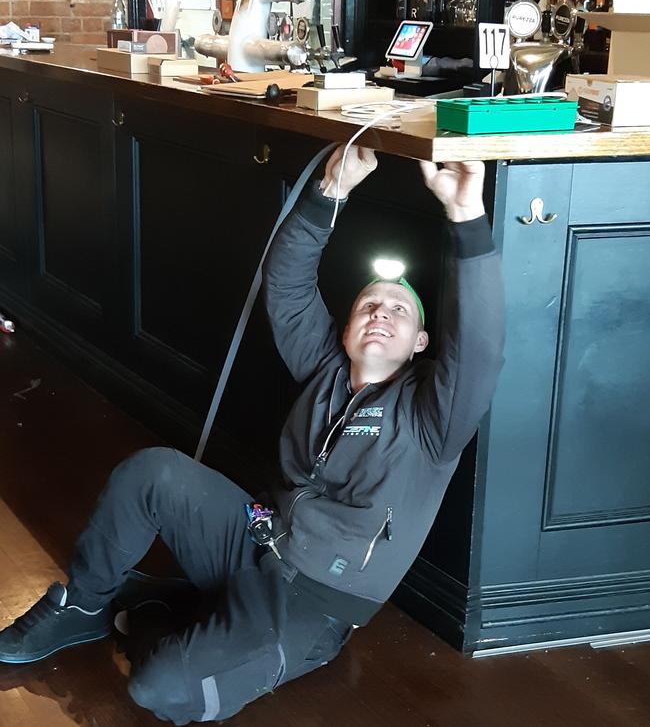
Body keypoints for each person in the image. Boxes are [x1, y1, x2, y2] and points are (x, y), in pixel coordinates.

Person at [0, 146, 504, 725]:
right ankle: (85, 606)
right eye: (369, 303)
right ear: (344, 329)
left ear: (420, 343)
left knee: (159, 689)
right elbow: (286, 283)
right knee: (152, 472)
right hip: (259, 535)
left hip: (310, 603)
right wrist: (328, 190)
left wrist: (466, 217)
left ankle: (171, 612)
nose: (381, 313)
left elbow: (479, 345)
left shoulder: (431, 417)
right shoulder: (323, 367)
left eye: (399, 310)